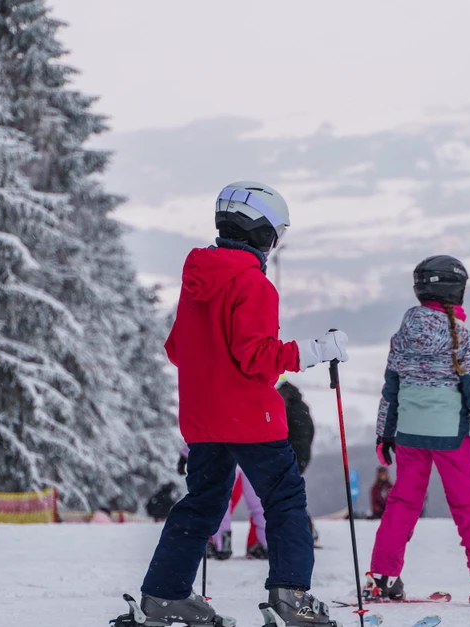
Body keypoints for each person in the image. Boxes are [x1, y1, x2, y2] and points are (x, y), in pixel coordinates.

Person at [133, 181, 346, 627]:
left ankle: (165, 594)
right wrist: (315, 349)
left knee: (204, 503)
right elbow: (257, 358)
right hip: (250, 416)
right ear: (262, 233)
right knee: (284, 499)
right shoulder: (254, 284)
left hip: (202, 418)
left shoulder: (196, 281)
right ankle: (291, 596)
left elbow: (176, 350)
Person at [368, 255, 470, 607]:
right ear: (457, 290)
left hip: (409, 435)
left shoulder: (400, 337)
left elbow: (391, 389)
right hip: (451, 437)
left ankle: (383, 577)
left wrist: (384, 434)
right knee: (467, 504)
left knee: (402, 503)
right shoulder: (462, 337)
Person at [279, 378, 319, 546]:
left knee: (285, 495)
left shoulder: (285, 407)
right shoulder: (302, 407)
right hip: (302, 457)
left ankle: (304, 530)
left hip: (289, 456)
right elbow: (310, 431)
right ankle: (306, 530)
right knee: (289, 493)